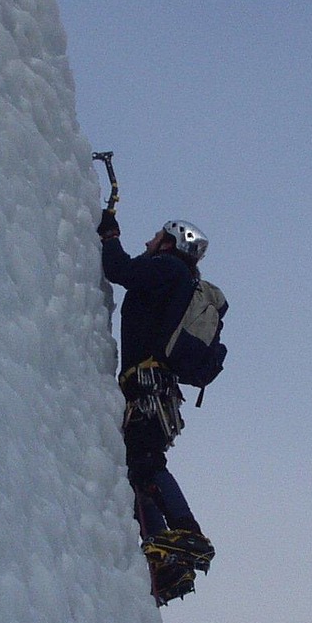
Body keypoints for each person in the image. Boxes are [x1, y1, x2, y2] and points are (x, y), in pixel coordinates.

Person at [98, 207, 215, 602]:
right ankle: (166, 554)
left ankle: (186, 531)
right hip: (153, 388)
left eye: (156, 236)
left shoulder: (167, 268)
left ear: (169, 243)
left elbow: (120, 270)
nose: (149, 241)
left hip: (148, 386)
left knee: (146, 462)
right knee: (138, 467)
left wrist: (110, 235)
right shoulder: (179, 278)